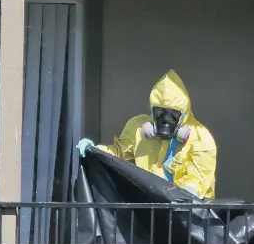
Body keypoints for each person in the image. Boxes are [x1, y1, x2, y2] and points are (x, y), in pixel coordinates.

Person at [75, 69, 217, 199]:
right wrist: (94, 151)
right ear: (152, 110)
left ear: (184, 113)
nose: (166, 118)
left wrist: (186, 194)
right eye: (160, 111)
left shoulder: (200, 138)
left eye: (173, 112)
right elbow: (117, 155)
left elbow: (198, 177)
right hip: (148, 209)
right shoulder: (137, 129)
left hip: (187, 216)